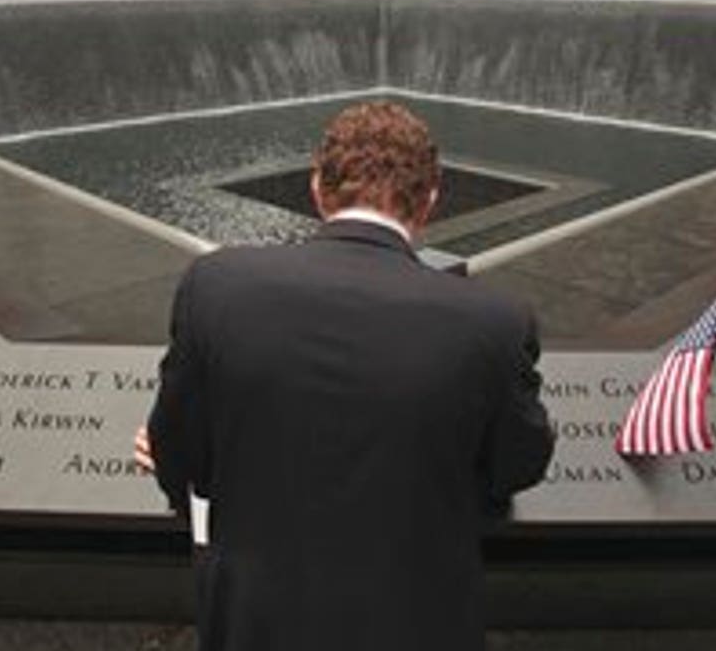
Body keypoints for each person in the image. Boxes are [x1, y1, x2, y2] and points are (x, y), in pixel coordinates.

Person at [140, 101, 554, 651]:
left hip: (257, 622)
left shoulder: (215, 287)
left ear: (317, 188)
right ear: (430, 201)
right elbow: (518, 465)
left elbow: (183, 457)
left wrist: (185, 453)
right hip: (417, 620)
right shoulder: (494, 322)